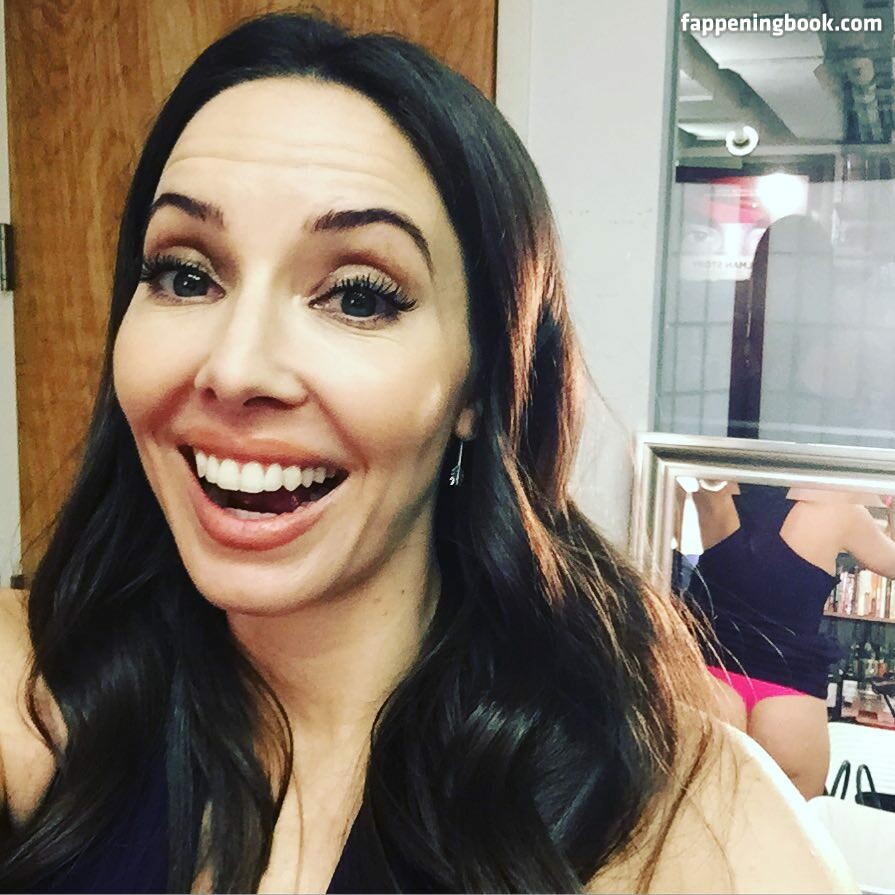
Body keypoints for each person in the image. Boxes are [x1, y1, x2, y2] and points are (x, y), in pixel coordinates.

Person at [0, 12, 854, 893]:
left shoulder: (691, 828)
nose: (235, 368)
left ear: (480, 387)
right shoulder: (31, 694)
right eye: (186, 275)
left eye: (358, 297)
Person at [684, 480, 895, 800]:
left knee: (698, 820)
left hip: (712, 684)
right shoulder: (839, 508)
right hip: (790, 701)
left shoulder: (713, 488)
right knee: (791, 827)